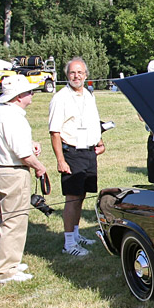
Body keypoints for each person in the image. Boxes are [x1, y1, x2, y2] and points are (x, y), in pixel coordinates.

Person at [0, 76, 48, 284]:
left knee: (2, 219)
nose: (32, 95)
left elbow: (9, 140)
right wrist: (39, 167)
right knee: (13, 222)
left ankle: (8, 261)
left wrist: (31, 142)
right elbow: (22, 154)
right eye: (29, 92)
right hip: (13, 173)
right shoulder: (13, 116)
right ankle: (7, 272)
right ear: (19, 96)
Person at [49, 57, 105, 256]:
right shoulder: (60, 98)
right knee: (72, 198)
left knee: (81, 195)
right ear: (67, 75)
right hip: (72, 152)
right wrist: (61, 160)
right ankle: (69, 244)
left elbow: (92, 121)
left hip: (88, 151)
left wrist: (99, 142)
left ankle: (75, 233)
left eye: (80, 72)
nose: (76, 76)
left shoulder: (89, 95)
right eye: (73, 72)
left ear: (86, 75)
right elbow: (54, 131)